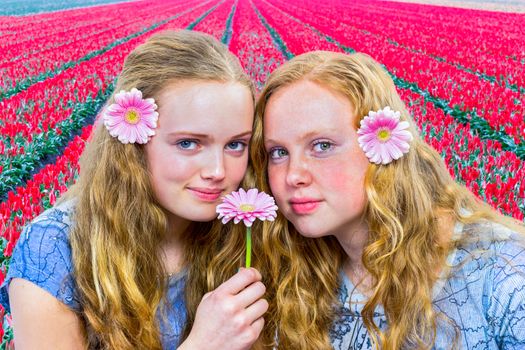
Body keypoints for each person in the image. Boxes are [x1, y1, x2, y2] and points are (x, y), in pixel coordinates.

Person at [0, 30, 270, 349]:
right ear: (134, 142)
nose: (218, 171)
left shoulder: (246, 233)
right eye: (188, 143)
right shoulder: (55, 250)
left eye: (236, 144)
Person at [251, 51, 525, 349]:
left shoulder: (501, 275)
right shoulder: (295, 273)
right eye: (278, 152)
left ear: (382, 145)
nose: (293, 175)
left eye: (322, 146)